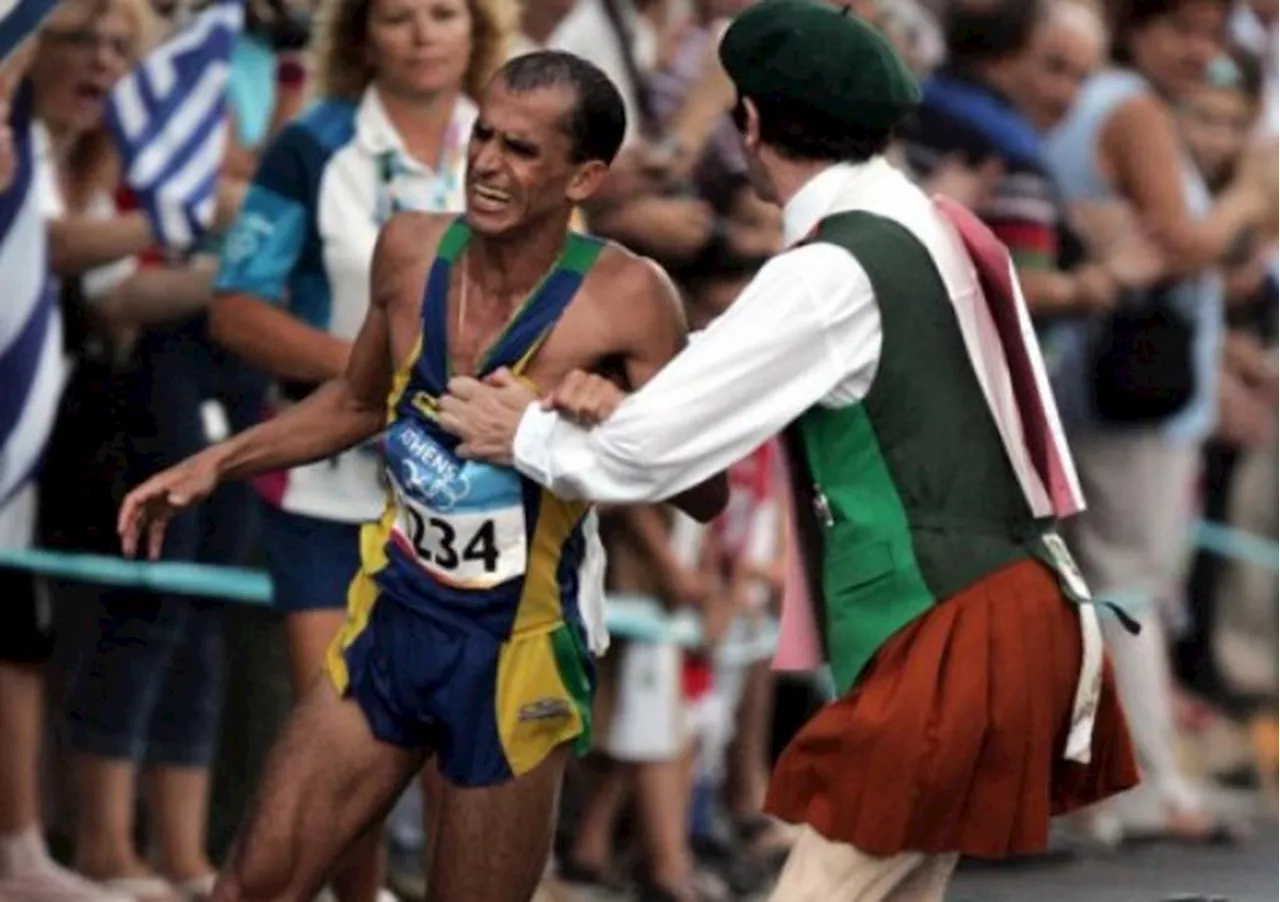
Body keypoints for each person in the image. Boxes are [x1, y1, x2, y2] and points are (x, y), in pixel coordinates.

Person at [434, 3, 1140, 899]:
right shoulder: (923, 219)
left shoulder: (829, 269)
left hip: (948, 631)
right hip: (1020, 607)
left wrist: (523, 431)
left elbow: (656, 451)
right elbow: (728, 378)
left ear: (754, 123)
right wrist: (629, 401)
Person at [119, 49, 726, 902]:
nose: (484, 162)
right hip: (394, 618)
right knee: (251, 885)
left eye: (521, 149)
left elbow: (706, 493)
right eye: (482, 135)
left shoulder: (628, 298)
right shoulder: (408, 250)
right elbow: (358, 402)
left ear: (585, 177)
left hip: (517, 657)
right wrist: (215, 462)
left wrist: (620, 423)